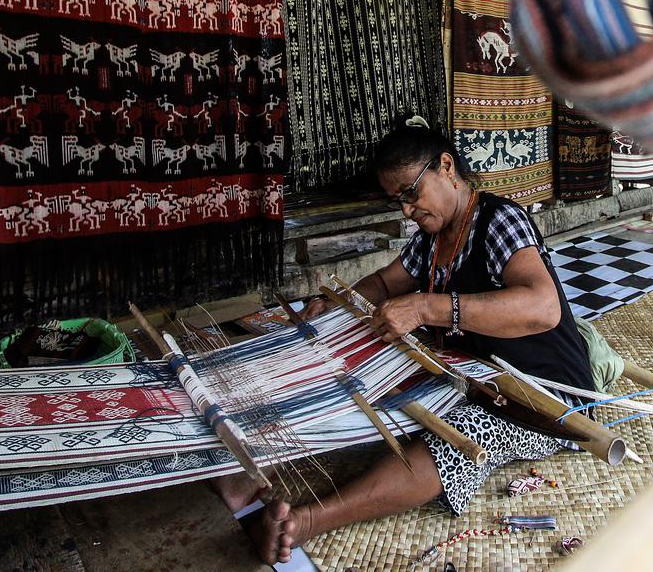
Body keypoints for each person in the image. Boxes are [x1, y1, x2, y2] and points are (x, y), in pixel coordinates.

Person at [217, 117, 594, 564]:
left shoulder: (499, 221)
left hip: (546, 396)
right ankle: (252, 466)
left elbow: (542, 308)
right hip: (477, 376)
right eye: (398, 200)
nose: (406, 211)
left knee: (463, 434)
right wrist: (338, 304)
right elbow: (385, 281)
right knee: (360, 351)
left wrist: (428, 307)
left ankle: (304, 523)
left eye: (411, 193)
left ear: (446, 167)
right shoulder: (434, 240)